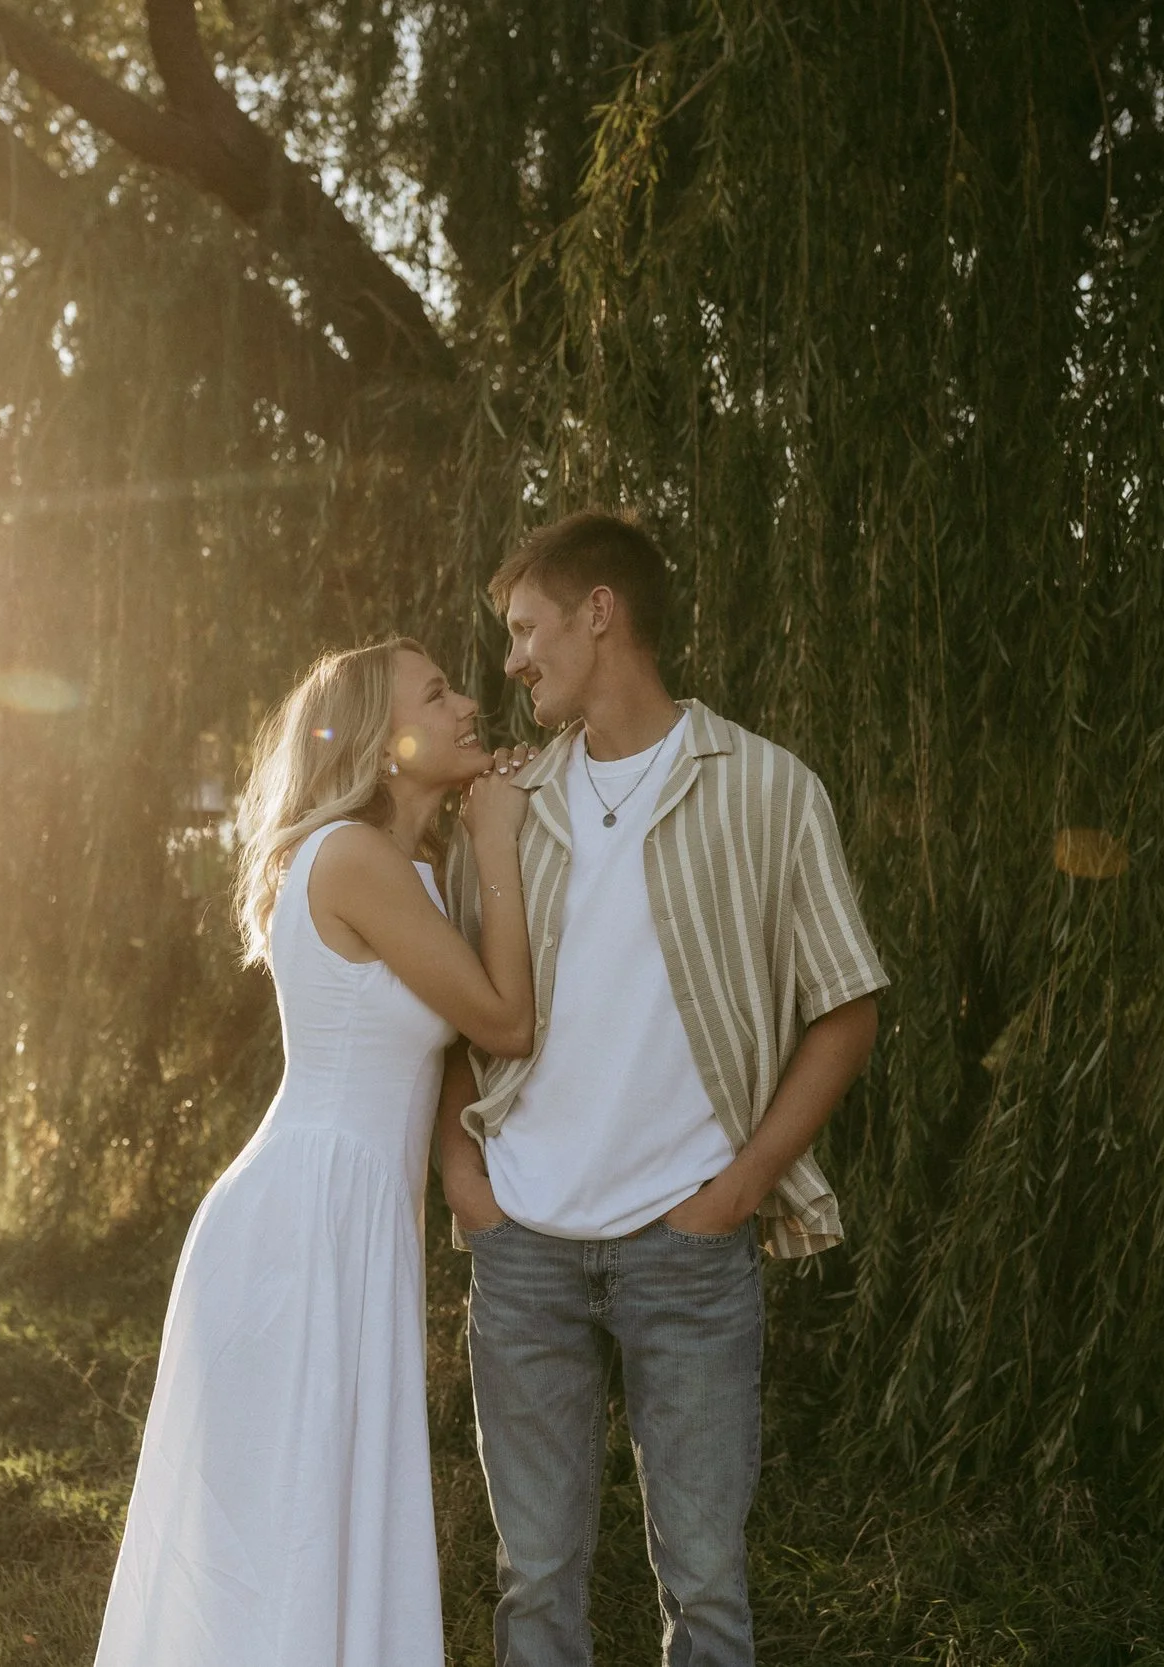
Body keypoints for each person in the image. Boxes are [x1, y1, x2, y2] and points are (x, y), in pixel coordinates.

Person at [437, 511, 887, 1667]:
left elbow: (847, 1007)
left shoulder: (769, 789)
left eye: (528, 627)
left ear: (602, 612)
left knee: (706, 1582)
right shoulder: (507, 802)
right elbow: (444, 1011)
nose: (513, 659)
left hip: (687, 1242)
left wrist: (738, 1188)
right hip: (523, 1243)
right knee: (533, 1583)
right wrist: (465, 1180)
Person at [94, 638, 535, 1667]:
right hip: (302, 1222)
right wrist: (501, 841)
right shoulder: (352, 857)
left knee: (323, 1516)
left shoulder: (412, 868)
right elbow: (505, 1021)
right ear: (387, 744)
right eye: (439, 692)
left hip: (350, 1215)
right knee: (285, 1528)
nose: (471, 702)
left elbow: (446, 1059)